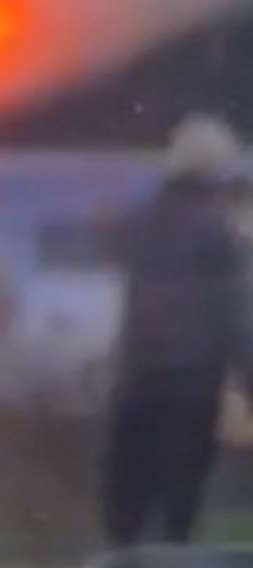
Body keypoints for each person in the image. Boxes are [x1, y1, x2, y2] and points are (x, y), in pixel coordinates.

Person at [102, 114, 253, 547]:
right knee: (179, 501)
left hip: (137, 378)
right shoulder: (221, 233)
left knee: (128, 496)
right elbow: (234, 313)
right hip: (192, 384)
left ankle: (123, 557)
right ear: (217, 168)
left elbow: (114, 249)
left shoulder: (142, 222)